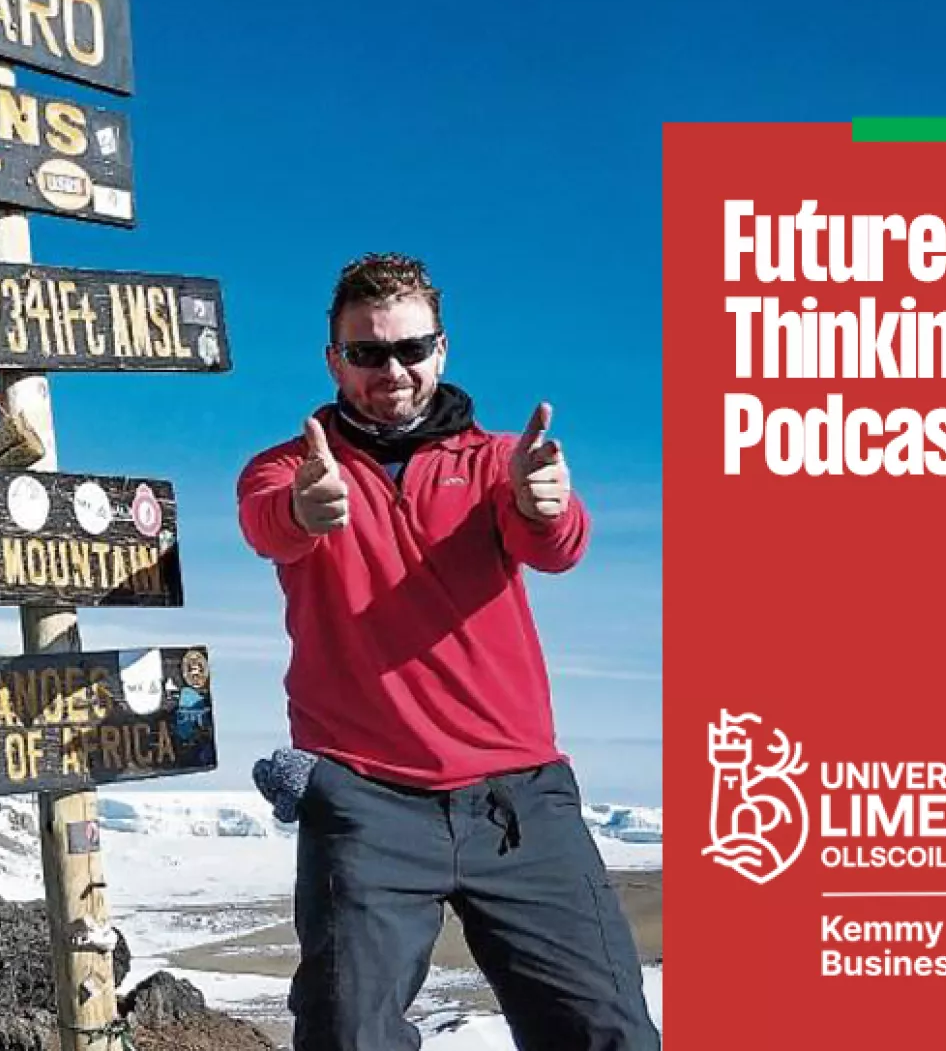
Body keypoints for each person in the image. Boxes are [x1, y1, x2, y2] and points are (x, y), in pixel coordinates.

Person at [236, 253, 661, 1051]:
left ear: (442, 349)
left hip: (521, 802)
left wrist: (548, 503)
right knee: (345, 1036)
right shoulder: (288, 466)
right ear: (334, 360)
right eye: (366, 353)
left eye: (409, 349)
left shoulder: (500, 459)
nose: (390, 370)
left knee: (609, 1032)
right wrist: (303, 507)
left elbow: (556, 542)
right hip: (367, 802)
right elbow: (269, 523)